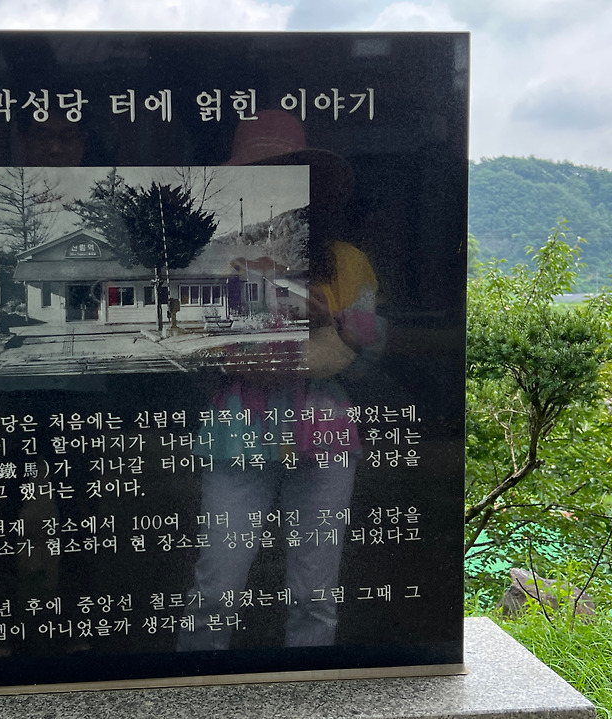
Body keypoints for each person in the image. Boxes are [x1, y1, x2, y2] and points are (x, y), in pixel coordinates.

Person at [177, 110, 382, 651]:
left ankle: (308, 688)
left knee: (315, 592)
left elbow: (368, 346)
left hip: (324, 433)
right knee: (217, 584)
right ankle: (194, 688)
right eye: (260, 176)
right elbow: (185, 337)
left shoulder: (347, 263)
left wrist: (329, 320)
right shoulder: (211, 259)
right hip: (237, 433)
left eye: (288, 175)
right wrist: (237, 355)